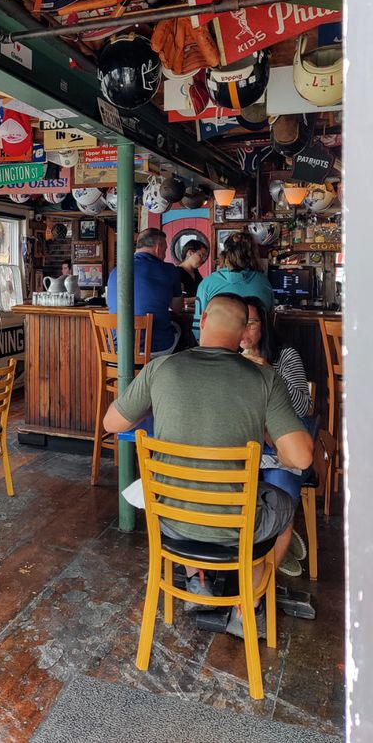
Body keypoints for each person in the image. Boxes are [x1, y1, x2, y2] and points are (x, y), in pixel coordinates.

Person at [104, 294, 313, 639]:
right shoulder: (263, 379)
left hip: (169, 520)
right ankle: (248, 609)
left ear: (202, 322)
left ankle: (197, 579)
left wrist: (155, 406)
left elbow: (113, 423)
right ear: (244, 330)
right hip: (236, 530)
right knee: (285, 508)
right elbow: (302, 457)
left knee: (181, 489)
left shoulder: (160, 368)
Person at [241, 296, 313, 577]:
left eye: (252, 323)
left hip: (283, 448)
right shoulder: (228, 359)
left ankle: (261, 579)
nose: (245, 332)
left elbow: (302, 405)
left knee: (279, 487)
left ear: (265, 325)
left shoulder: (285, 356)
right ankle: (276, 538)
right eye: (240, 324)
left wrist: (269, 373)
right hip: (247, 446)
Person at [106, 228, 183, 355]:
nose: (164, 255)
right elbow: (177, 308)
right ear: (158, 248)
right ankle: (162, 373)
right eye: (165, 250)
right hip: (152, 349)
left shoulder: (116, 270)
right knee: (178, 328)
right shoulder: (169, 270)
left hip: (116, 350)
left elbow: (110, 302)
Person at [192, 230, 273, 337]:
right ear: (253, 255)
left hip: (218, 349)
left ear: (224, 255)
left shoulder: (206, 283)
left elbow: (198, 330)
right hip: (254, 349)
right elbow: (269, 323)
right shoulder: (264, 282)